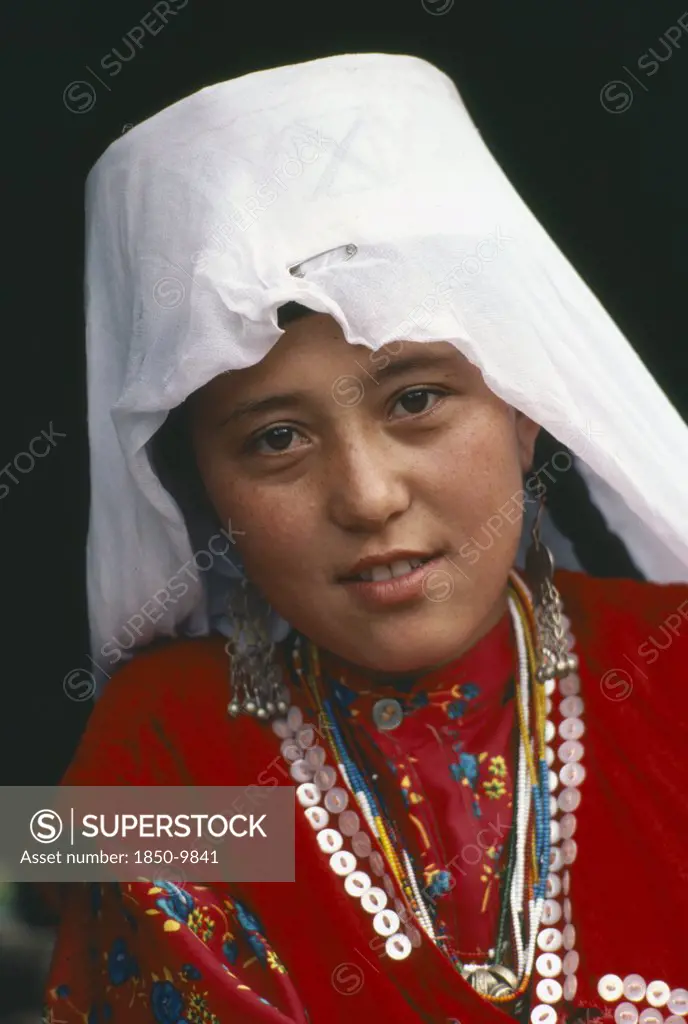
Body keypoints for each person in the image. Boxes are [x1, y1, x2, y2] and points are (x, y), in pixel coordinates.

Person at [43, 53, 688, 1024]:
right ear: (202, 486)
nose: (367, 494)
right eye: (276, 439)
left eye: (416, 399)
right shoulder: (162, 749)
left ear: (525, 408)